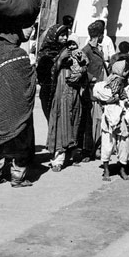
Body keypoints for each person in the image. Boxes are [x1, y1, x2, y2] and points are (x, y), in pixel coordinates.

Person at [0, 27, 36, 187]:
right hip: (18, 108)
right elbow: (29, 79)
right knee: (20, 142)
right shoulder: (20, 54)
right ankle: (17, 178)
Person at [46, 35, 89, 172]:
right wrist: (60, 60)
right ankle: (57, 159)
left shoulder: (80, 54)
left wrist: (81, 72)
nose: (71, 47)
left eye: (73, 44)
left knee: (73, 121)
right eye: (68, 43)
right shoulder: (54, 53)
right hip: (61, 90)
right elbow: (48, 72)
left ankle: (70, 155)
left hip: (74, 92)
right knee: (60, 122)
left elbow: (85, 68)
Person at [92, 57, 129, 181]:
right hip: (109, 118)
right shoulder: (104, 85)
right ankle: (106, 169)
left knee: (123, 143)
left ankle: (122, 168)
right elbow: (97, 93)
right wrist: (112, 98)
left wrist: (115, 98)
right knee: (107, 143)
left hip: (122, 118)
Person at [79, 20, 108, 162]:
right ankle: (87, 151)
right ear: (99, 35)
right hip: (90, 92)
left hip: (99, 91)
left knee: (98, 121)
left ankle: (97, 148)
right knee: (89, 123)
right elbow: (81, 70)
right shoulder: (86, 51)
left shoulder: (99, 49)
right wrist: (93, 79)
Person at [36, 24, 69, 121]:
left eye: (66, 35)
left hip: (65, 94)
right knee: (52, 124)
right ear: (54, 36)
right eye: (62, 35)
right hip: (49, 94)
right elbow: (43, 78)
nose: (65, 38)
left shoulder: (67, 50)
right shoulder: (45, 55)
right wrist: (59, 60)